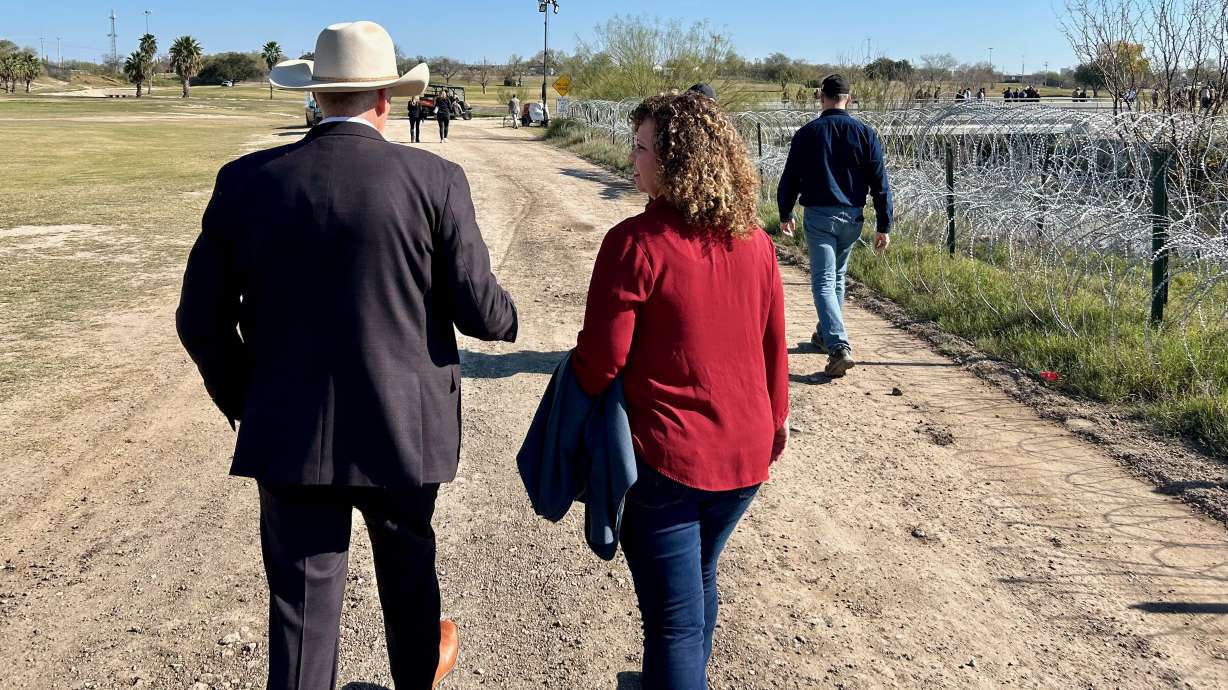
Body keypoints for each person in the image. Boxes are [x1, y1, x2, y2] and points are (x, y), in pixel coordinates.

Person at [177, 20, 518, 690]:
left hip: (289, 429)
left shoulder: (246, 181)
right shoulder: (436, 178)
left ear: (317, 96)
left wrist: (249, 398)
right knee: (409, 568)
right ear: (387, 99)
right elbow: (480, 307)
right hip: (404, 426)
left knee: (301, 611)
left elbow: (199, 320)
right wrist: (509, 318)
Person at [571, 91, 789, 690]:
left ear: (677, 162)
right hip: (745, 457)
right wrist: (778, 423)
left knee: (672, 622)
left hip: (669, 461)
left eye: (643, 148)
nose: (632, 158)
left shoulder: (635, 243)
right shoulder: (756, 242)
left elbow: (601, 361)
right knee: (699, 579)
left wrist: (577, 385)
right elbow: (775, 345)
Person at [777, 74, 892, 377]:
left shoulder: (807, 134)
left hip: (819, 217)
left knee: (825, 282)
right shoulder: (866, 134)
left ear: (821, 97)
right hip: (852, 216)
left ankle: (839, 346)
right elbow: (880, 184)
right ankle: (823, 334)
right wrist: (884, 224)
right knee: (837, 279)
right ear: (848, 99)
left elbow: (789, 178)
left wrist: (785, 213)